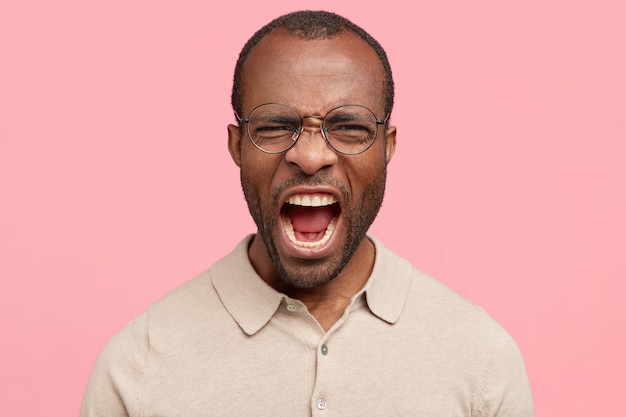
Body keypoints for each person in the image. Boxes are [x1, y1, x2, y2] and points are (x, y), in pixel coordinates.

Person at [81, 10, 534, 416]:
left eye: (349, 127)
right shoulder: (136, 367)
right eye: (276, 126)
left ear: (387, 147)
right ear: (237, 146)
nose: (311, 156)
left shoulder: (480, 360)